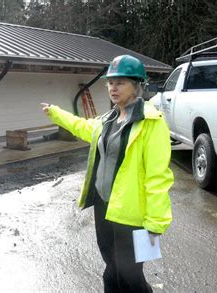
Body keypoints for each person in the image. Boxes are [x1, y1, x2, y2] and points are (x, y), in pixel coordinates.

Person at [41, 55, 173, 293]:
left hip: (131, 215)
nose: (113, 87)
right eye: (110, 82)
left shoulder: (152, 123)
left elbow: (158, 176)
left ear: (137, 85)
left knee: (130, 275)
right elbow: (82, 127)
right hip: (104, 207)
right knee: (111, 266)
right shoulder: (108, 119)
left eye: (120, 82)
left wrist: (156, 221)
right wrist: (56, 113)